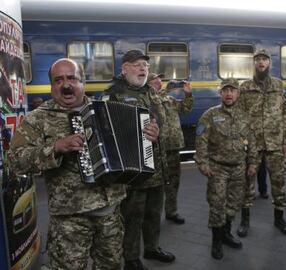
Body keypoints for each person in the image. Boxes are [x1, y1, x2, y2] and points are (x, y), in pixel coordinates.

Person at [8, 58, 144, 269]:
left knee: (110, 266)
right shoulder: (38, 119)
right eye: (58, 80)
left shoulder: (106, 111)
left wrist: (147, 138)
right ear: (52, 86)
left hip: (110, 214)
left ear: (83, 83)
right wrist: (54, 148)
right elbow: (15, 161)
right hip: (69, 221)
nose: (66, 85)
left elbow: (133, 146)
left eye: (72, 78)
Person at [101, 50, 175, 270]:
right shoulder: (113, 94)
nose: (143, 68)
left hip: (156, 168)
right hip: (133, 170)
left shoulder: (151, 93)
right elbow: (106, 130)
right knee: (132, 216)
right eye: (137, 64)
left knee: (154, 213)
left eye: (145, 65)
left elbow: (160, 119)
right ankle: (131, 258)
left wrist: (157, 129)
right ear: (124, 69)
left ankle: (152, 248)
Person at [194, 78, 258, 259]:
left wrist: (253, 163)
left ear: (238, 93)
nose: (229, 94)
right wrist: (203, 164)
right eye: (225, 90)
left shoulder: (246, 116)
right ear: (220, 93)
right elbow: (201, 141)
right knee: (217, 205)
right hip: (217, 169)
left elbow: (252, 142)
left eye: (232, 90)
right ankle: (216, 241)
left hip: (239, 169)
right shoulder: (210, 115)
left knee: (233, 204)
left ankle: (226, 234)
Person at [237, 48, 286, 237]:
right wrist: (243, 142)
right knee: (247, 184)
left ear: (269, 63)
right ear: (253, 63)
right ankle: (245, 220)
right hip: (252, 145)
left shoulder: (278, 85)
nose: (261, 63)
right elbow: (239, 117)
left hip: (275, 143)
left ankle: (280, 218)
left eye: (265, 59)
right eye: (258, 59)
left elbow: (285, 114)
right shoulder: (244, 87)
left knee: (278, 182)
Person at [148, 73, 194, 224]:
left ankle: (172, 211)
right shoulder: (148, 99)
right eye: (155, 80)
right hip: (156, 148)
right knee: (156, 184)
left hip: (173, 146)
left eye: (160, 80)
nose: (159, 82)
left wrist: (188, 94)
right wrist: (167, 89)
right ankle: (153, 216)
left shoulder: (170, 100)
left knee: (173, 181)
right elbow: (155, 97)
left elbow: (186, 109)